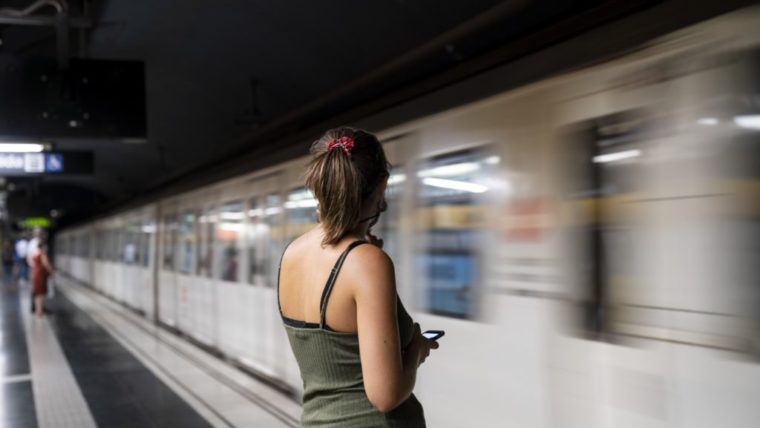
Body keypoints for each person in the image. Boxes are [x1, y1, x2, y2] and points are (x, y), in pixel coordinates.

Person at [278, 127, 438, 427]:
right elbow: (385, 396)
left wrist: (362, 251)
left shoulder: (291, 254)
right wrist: (416, 350)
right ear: (381, 187)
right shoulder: (367, 263)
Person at [30, 239, 54, 318]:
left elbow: (31, 262)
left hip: (34, 273)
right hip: (41, 274)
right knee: (41, 294)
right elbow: (46, 264)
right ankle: (40, 311)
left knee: (37, 293)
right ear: (43, 246)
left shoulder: (34, 252)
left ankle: (37, 311)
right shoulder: (42, 253)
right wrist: (51, 271)